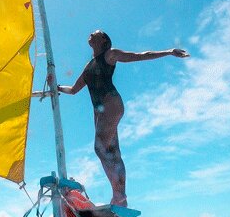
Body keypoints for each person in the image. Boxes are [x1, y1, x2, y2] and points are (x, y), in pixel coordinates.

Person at [57, 30, 189, 207]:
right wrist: (57, 88)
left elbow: (139, 56)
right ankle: (121, 198)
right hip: (99, 112)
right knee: (114, 152)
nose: (90, 34)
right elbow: (73, 90)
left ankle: (118, 195)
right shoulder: (89, 66)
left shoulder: (110, 55)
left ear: (103, 39)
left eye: (94, 33)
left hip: (110, 104)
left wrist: (169, 51)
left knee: (100, 147)